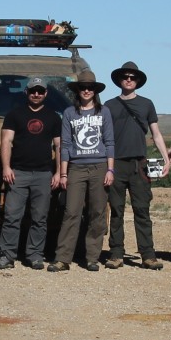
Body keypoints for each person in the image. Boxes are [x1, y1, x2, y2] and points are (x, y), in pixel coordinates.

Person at [103, 61, 171, 271]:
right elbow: (103, 137)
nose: (129, 80)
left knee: (142, 210)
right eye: (126, 77)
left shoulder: (146, 104)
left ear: (138, 81)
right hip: (117, 164)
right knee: (116, 210)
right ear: (120, 80)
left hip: (140, 164)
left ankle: (148, 255)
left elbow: (156, 134)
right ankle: (116, 254)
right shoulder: (109, 105)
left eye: (133, 77)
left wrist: (166, 158)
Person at [0, 77, 62, 271]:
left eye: (40, 91)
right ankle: (7, 256)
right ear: (27, 92)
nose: (36, 94)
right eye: (33, 91)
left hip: (44, 174)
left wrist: (58, 172)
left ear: (46, 93)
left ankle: (35, 255)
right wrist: (6, 167)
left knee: (40, 218)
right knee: (12, 216)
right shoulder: (14, 115)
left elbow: (59, 145)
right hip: (19, 173)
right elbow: (6, 142)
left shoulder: (54, 117)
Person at [49, 71, 115, 272]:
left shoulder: (104, 112)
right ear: (77, 91)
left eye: (90, 88)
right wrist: (63, 173)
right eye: (83, 87)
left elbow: (109, 142)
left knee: (97, 212)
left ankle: (92, 257)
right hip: (76, 167)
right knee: (71, 212)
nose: (86, 90)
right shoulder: (70, 113)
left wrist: (110, 169)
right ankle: (63, 258)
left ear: (95, 91)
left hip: (100, 166)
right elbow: (65, 145)